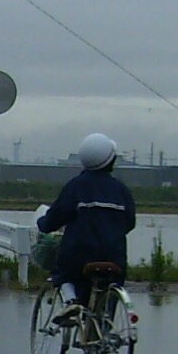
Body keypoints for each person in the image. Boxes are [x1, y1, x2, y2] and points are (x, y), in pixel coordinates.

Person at [34, 133, 136, 323]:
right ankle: (105, 326)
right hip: (114, 256)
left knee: (61, 272)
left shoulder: (76, 186)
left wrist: (42, 224)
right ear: (111, 160)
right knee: (112, 285)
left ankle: (71, 302)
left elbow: (55, 218)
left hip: (78, 256)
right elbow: (129, 222)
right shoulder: (121, 191)